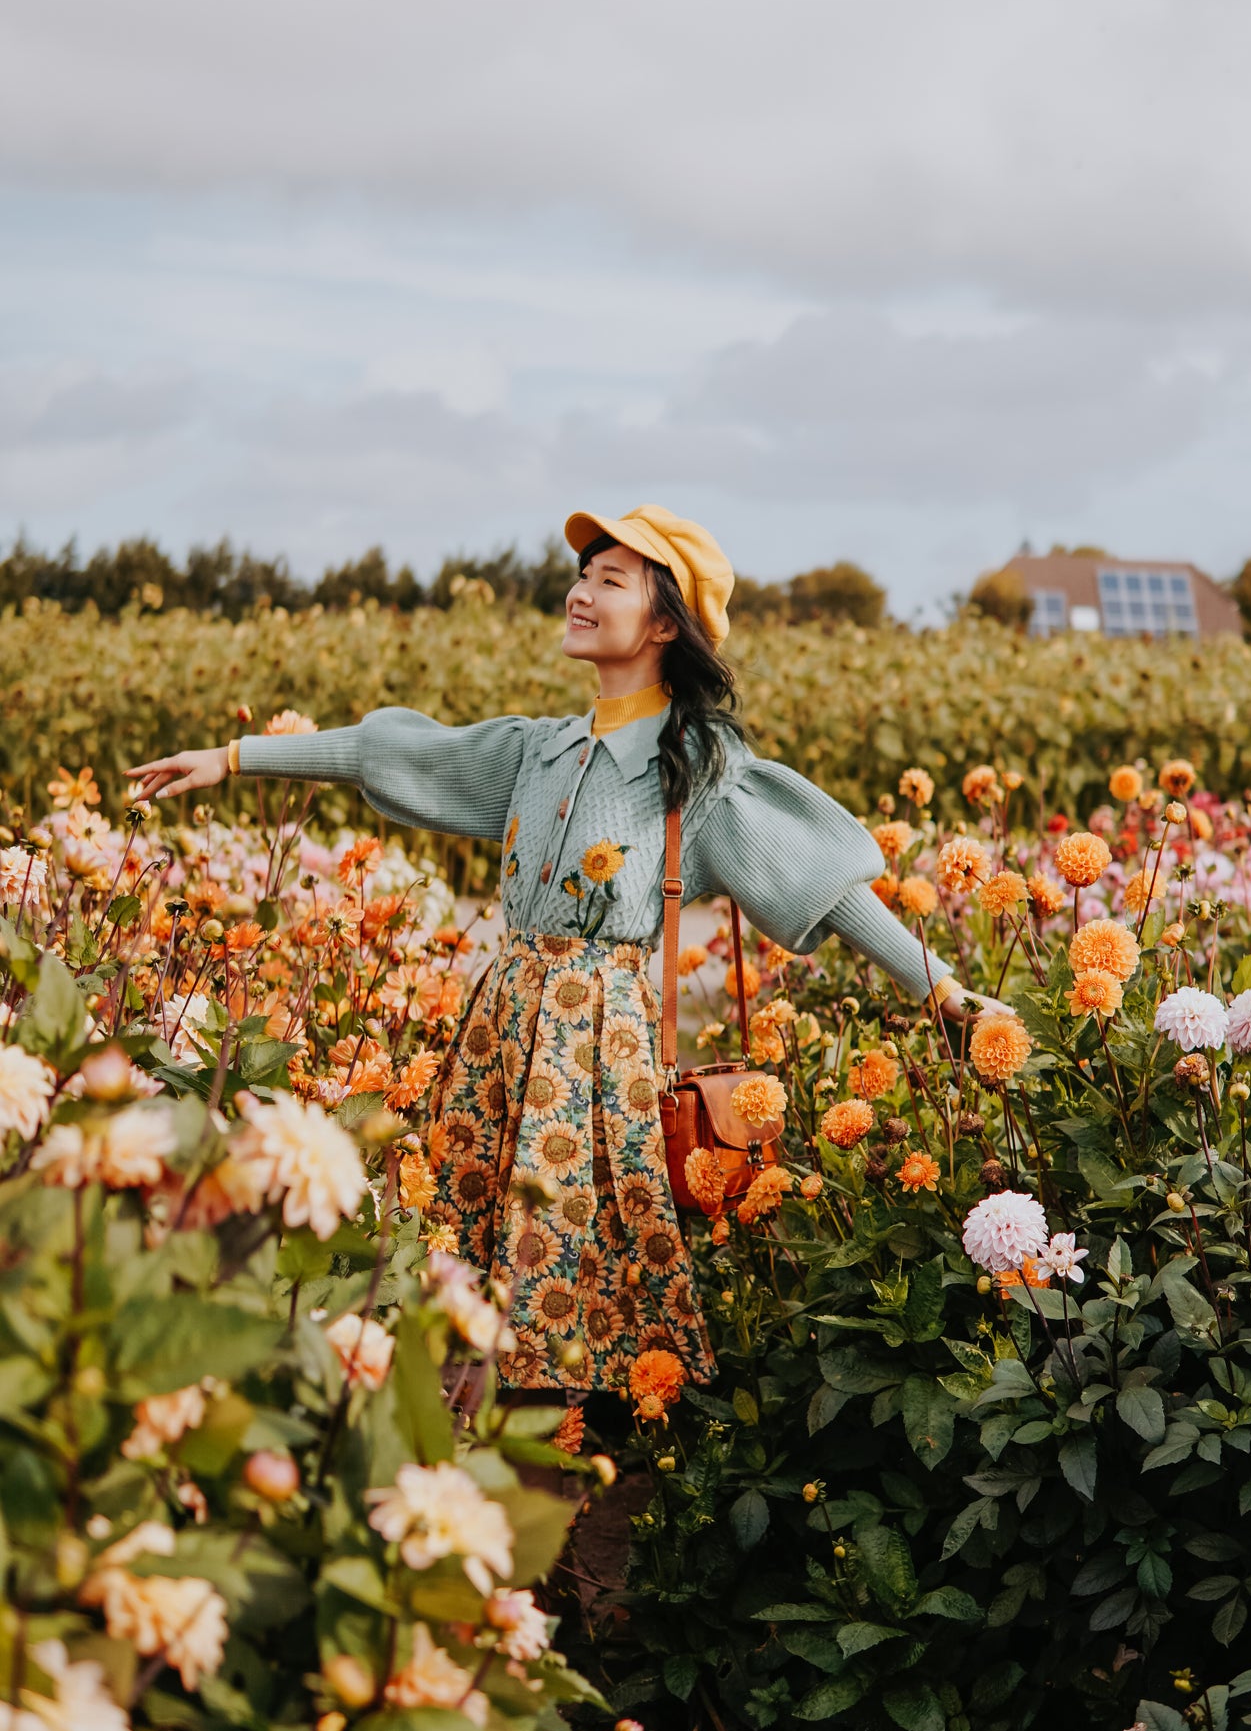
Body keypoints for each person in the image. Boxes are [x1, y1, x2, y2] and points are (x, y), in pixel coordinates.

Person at [128, 505, 977, 1395]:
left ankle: (596, 1453)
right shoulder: (539, 750)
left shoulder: (696, 763)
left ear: (661, 623)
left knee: (581, 1248)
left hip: (595, 1046)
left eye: (610, 580)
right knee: (462, 1246)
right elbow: (394, 753)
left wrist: (942, 990)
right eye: (582, 575)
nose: (580, 592)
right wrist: (234, 757)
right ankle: (466, 1434)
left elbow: (823, 887)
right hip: (500, 1031)